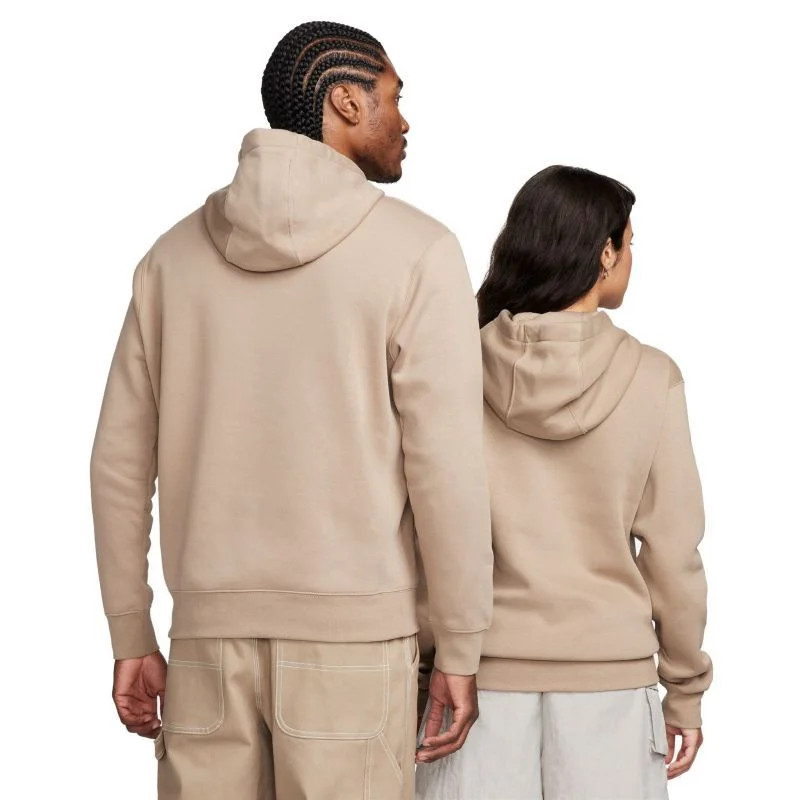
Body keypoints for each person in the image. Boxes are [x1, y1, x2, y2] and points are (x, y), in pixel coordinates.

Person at [89, 20, 493, 799]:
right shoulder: (419, 252)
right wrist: (461, 645)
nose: (405, 120)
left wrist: (130, 631)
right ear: (346, 101)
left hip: (207, 647)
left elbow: (119, 463)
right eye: (393, 98)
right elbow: (445, 468)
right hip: (355, 647)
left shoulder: (170, 259)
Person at [415, 166, 712, 799]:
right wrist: (684, 689)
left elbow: (421, 530)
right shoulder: (652, 378)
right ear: (604, 252)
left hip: (476, 681)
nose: (631, 258)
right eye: (629, 243)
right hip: (610, 685)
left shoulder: (454, 367)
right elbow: (673, 554)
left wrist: (428, 660)